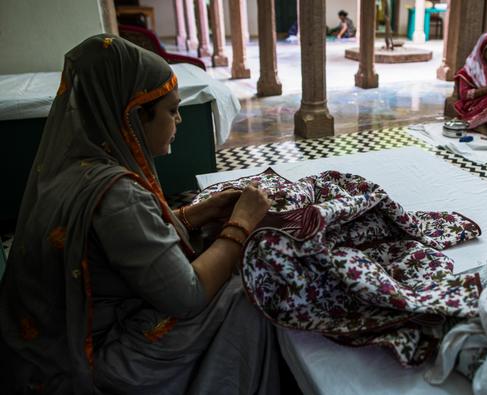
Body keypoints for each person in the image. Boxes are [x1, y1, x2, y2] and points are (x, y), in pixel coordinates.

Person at [0, 35, 280, 394]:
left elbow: (123, 241)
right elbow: (189, 294)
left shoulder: (71, 167)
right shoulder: (118, 194)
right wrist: (242, 223)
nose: (179, 119)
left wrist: (196, 213)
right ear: (133, 115)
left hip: (45, 342)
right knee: (251, 289)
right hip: (100, 357)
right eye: (171, 110)